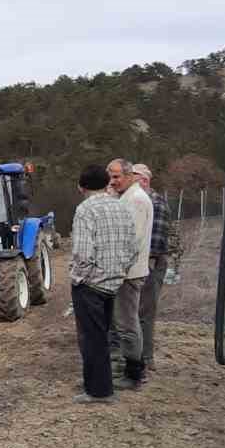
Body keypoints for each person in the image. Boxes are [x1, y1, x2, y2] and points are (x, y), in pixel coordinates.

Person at [70, 165, 139, 403]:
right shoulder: (121, 207)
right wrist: (119, 272)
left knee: (92, 339)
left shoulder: (85, 210)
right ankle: (101, 382)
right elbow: (133, 248)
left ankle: (99, 391)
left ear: (81, 187)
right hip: (114, 284)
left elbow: (82, 253)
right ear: (106, 183)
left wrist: (80, 278)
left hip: (91, 286)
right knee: (103, 337)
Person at [106, 157, 153, 388]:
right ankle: (131, 368)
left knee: (127, 323)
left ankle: (135, 373)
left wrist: (114, 270)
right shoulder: (127, 197)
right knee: (124, 322)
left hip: (128, 273)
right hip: (125, 271)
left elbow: (130, 241)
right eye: (110, 177)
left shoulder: (135, 200)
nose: (112, 182)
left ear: (129, 175)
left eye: (116, 177)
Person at [132, 163, 179, 371]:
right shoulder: (140, 201)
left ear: (144, 180)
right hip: (144, 263)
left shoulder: (155, 203)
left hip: (151, 263)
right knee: (135, 311)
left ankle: (145, 358)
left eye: (132, 177)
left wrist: (141, 263)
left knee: (144, 312)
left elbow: (156, 242)